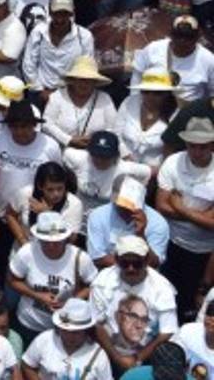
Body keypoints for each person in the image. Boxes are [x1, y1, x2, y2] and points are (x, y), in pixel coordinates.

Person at [89, 235, 179, 371]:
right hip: (108, 349)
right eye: (125, 263)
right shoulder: (102, 281)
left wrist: (138, 358)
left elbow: (167, 331)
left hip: (146, 353)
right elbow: (97, 324)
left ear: (147, 260)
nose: (131, 268)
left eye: (137, 263)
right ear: (116, 260)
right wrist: (117, 357)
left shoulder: (162, 288)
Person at [8, 211, 98, 343]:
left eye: (56, 242)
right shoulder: (27, 253)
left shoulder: (80, 258)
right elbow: (13, 280)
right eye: (46, 242)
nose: (51, 246)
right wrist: (38, 296)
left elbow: (93, 284)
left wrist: (71, 302)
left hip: (65, 328)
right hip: (29, 323)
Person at [156, 116, 214, 320]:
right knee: (165, 296)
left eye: (203, 147)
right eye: (192, 146)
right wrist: (201, 216)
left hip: (204, 252)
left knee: (191, 304)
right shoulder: (173, 162)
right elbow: (161, 205)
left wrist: (180, 207)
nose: (197, 152)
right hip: (171, 243)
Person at [21, 298, 113, 380]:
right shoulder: (45, 339)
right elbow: (27, 365)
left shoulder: (99, 356)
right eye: (65, 331)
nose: (69, 337)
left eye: (76, 333)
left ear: (86, 331)